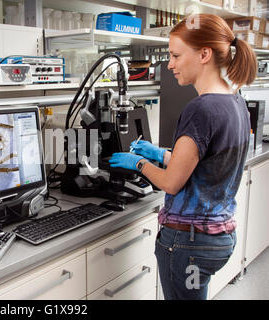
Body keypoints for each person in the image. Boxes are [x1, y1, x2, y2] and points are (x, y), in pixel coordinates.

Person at [109, 13, 256, 300]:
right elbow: (207, 165)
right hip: (219, 238)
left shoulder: (200, 109)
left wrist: (139, 163)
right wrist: (162, 154)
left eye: (176, 55)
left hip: (187, 243)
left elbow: (173, 183)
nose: (170, 64)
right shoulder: (235, 101)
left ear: (204, 54)